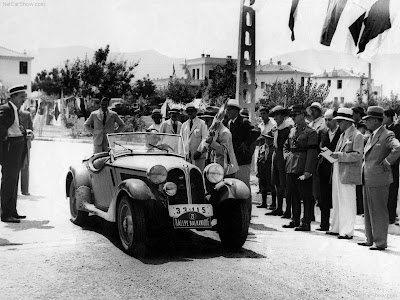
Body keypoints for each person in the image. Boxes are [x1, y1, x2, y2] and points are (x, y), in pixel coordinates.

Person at [359, 106, 400, 250]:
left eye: (368, 119)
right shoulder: (372, 135)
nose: (366, 122)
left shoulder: (387, 134)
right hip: (368, 177)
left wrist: (388, 162)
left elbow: (397, 148)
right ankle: (370, 238)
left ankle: (380, 241)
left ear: (377, 120)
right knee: (369, 209)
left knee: (378, 210)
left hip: (379, 178)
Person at [325, 108, 363, 239]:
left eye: (340, 121)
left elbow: (358, 155)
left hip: (348, 172)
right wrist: (329, 155)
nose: (338, 123)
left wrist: (339, 155)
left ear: (347, 121)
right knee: (337, 200)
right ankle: (336, 227)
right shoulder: (343, 135)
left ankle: (347, 231)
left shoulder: (356, 135)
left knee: (347, 201)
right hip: (338, 170)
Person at [282, 105, 318, 231]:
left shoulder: (311, 132)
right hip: (291, 166)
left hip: (302, 167)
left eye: (295, 115)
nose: (293, 118)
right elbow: (286, 146)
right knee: (292, 195)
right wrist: (287, 156)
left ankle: (306, 222)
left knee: (305, 196)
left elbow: (312, 153)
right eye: (291, 116)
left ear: (302, 115)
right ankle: (295, 219)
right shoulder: (292, 131)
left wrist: (308, 170)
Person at [226, 99, 260, 215]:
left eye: (229, 110)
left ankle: (247, 212)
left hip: (242, 160)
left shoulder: (244, 122)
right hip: (233, 159)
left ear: (236, 111)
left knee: (244, 186)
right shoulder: (230, 123)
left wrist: (246, 143)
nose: (227, 112)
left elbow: (256, 131)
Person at [0, 84, 28, 223]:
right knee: (8, 183)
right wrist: (5, 140)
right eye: (22, 96)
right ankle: (5, 214)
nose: (24, 99)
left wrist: (25, 133)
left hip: (17, 149)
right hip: (10, 150)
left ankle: (12, 211)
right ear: (14, 96)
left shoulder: (15, 110)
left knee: (14, 182)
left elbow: (15, 127)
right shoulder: (6, 109)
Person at [315, 109, 341, 231]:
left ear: (336, 120)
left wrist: (331, 156)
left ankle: (337, 226)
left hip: (338, 169)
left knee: (336, 198)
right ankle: (324, 224)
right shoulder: (322, 131)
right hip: (324, 169)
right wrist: (330, 157)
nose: (327, 122)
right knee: (323, 197)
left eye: (330, 119)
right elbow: (320, 147)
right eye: (325, 119)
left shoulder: (342, 133)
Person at [268, 105, 292, 218]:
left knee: (284, 183)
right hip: (276, 153)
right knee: (276, 182)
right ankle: (278, 208)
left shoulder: (287, 129)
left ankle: (287, 210)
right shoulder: (275, 128)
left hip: (283, 154)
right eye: (275, 116)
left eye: (278, 115)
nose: (276, 118)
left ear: (283, 116)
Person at [200, 106, 238, 177]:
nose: (205, 123)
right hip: (215, 168)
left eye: (207, 120)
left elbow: (225, 151)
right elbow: (205, 148)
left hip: (227, 169)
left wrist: (212, 143)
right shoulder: (212, 131)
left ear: (215, 120)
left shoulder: (224, 132)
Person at [256, 106, 277, 209]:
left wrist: (264, 137)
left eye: (264, 113)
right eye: (261, 114)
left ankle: (273, 203)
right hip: (262, 150)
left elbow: (272, 136)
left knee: (271, 180)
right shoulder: (260, 125)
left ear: (268, 114)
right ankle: (263, 202)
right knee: (262, 179)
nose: (263, 116)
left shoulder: (273, 124)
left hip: (271, 149)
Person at [383, 108, 400, 225]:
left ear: (389, 117)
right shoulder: (386, 129)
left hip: (393, 163)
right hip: (387, 164)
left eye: (384, 117)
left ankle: (391, 216)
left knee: (393, 189)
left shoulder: (396, 128)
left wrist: (390, 160)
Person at [180, 103, 208, 172]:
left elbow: (205, 138)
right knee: (187, 175)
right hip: (187, 156)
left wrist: (199, 151)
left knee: (198, 174)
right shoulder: (184, 125)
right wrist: (182, 154)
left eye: (192, 111)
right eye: (188, 111)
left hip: (198, 156)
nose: (190, 113)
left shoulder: (202, 123)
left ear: (195, 112)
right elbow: (181, 140)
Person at [19, 108, 34, 196]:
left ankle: (25, 190)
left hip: (25, 143)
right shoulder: (6, 113)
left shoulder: (26, 114)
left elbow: (31, 130)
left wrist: (30, 135)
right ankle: (11, 190)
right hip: (10, 144)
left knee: (25, 167)